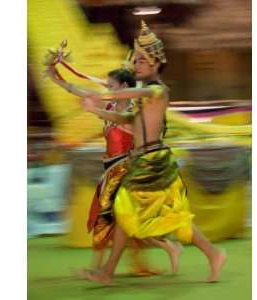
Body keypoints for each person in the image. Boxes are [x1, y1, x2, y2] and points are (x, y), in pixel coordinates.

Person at [78, 20, 227, 285]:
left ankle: (213, 254)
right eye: (135, 61)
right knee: (126, 212)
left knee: (167, 217)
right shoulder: (142, 97)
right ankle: (108, 272)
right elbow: (124, 119)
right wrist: (95, 110)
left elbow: (140, 91)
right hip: (143, 162)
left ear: (156, 63)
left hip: (154, 162)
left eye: (141, 61)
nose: (136, 66)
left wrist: (101, 96)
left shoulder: (158, 91)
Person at [45, 65, 182, 276]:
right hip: (110, 170)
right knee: (116, 221)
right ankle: (166, 249)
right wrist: (56, 79)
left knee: (111, 218)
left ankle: (100, 268)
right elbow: (81, 91)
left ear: (124, 86)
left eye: (111, 86)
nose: (106, 89)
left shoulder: (133, 114)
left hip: (126, 171)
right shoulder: (109, 108)